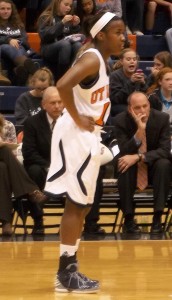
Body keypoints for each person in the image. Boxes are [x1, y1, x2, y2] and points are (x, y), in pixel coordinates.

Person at [44, 11, 125, 293]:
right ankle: (66, 272)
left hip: (87, 134)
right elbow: (62, 85)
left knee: (83, 204)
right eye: (117, 32)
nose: (123, 37)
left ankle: (69, 267)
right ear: (101, 35)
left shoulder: (97, 57)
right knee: (76, 204)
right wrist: (79, 118)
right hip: (77, 132)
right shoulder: (92, 58)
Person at [112, 91, 171, 234]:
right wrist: (139, 131)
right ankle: (129, 219)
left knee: (164, 164)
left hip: (153, 167)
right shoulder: (120, 120)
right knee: (123, 164)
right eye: (137, 108)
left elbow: (164, 150)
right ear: (129, 109)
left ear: (149, 105)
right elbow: (125, 150)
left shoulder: (162, 118)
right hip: (131, 167)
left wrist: (139, 157)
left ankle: (157, 218)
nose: (142, 110)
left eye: (145, 106)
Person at [0, 114, 48, 236]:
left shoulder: (6, 125)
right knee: (4, 153)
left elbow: (13, 150)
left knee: (3, 168)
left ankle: (6, 222)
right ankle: (31, 190)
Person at [22, 86, 64, 191]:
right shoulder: (31, 123)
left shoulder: (70, 121)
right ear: (44, 105)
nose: (57, 106)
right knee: (34, 170)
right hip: (42, 166)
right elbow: (29, 153)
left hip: (65, 166)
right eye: (53, 103)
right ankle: (37, 205)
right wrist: (49, 166)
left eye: (60, 102)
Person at [38, 0, 83, 80]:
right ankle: (61, 79)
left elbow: (72, 37)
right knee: (65, 44)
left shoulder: (69, 19)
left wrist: (75, 26)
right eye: (66, 4)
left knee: (78, 45)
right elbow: (44, 36)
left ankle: (73, 77)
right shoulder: (46, 16)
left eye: (70, 5)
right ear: (57, 3)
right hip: (48, 47)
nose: (68, 8)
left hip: (65, 49)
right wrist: (62, 23)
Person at [0, 0, 39, 85]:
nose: (6, 11)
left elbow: (25, 39)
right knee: (7, 47)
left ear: (12, 10)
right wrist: (8, 40)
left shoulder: (18, 23)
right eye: (2, 9)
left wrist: (17, 41)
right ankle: (31, 68)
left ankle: (21, 72)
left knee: (19, 49)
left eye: (8, 9)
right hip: (2, 49)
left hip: (18, 49)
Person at [110, 48, 148, 117]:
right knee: (131, 110)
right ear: (121, 61)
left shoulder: (142, 76)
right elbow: (116, 99)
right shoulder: (115, 76)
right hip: (120, 106)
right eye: (128, 59)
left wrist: (143, 84)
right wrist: (131, 82)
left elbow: (147, 97)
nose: (132, 61)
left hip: (138, 105)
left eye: (134, 59)